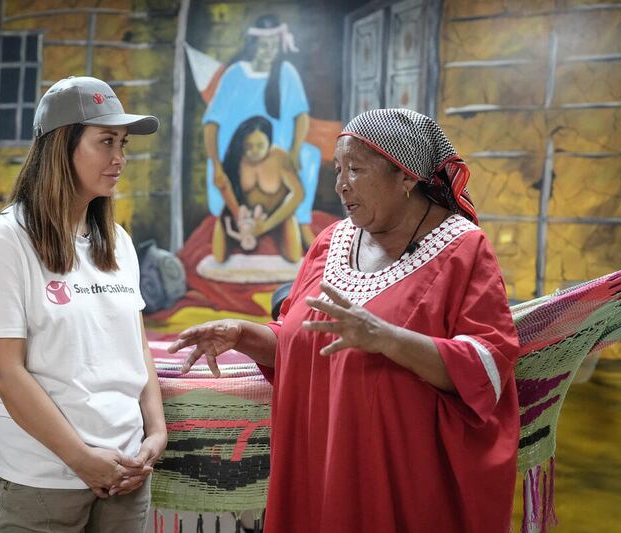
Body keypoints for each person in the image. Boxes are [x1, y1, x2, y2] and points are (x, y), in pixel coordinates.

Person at [169, 108, 520, 532]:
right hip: (319, 466)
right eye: (338, 170)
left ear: (406, 176)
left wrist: (386, 339)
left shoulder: (463, 250)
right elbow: (303, 345)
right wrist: (243, 333)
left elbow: (487, 365)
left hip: (400, 482)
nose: (339, 185)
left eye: (355, 169)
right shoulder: (330, 242)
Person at [0, 76, 167, 533]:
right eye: (106, 141)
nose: (120, 158)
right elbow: (5, 371)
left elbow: (137, 349)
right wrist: (82, 459)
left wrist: (155, 432)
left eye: (124, 143)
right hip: (40, 480)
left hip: (127, 472)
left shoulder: (117, 242)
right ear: (61, 145)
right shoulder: (6, 239)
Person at [203, 14, 321, 249]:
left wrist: (294, 150)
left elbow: (301, 116)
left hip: (277, 151)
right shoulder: (235, 74)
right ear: (253, 45)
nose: (269, 51)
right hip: (241, 152)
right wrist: (216, 163)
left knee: (310, 156)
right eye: (264, 45)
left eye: (274, 46)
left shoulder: (286, 72)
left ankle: (301, 220)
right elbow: (212, 122)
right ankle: (239, 219)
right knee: (221, 172)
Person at [212, 115, 304, 263]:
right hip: (241, 217)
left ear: (269, 141)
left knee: (294, 257)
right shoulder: (235, 158)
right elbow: (224, 187)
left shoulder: (280, 158)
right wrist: (239, 218)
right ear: (242, 145)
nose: (254, 151)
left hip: (275, 217)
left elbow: (298, 194)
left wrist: (265, 226)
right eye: (248, 146)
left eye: (260, 145)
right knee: (219, 257)